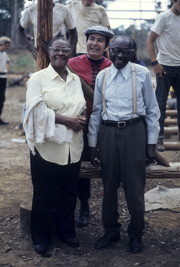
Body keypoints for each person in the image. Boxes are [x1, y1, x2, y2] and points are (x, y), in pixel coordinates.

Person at [88, 36, 160, 253]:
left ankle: (136, 234)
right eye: (116, 51)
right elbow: (97, 111)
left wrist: (151, 144)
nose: (120, 56)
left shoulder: (142, 73)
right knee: (108, 187)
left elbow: (152, 110)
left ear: (132, 52)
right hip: (108, 133)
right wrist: (93, 144)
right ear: (109, 51)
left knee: (134, 188)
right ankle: (111, 231)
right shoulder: (103, 75)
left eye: (125, 52)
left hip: (134, 132)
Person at [23, 37, 86, 255]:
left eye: (65, 50)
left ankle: (66, 232)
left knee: (69, 193)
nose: (61, 53)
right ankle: (41, 237)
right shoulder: (38, 79)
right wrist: (68, 121)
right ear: (49, 52)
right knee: (44, 194)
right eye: (56, 49)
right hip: (47, 148)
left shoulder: (75, 79)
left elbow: (81, 105)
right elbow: (36, 110)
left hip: (73, 146)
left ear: (71, 53)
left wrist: (82, 118)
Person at [68, 25, 114, 227]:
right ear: (85, 42)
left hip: (106, 127)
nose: (94, 43)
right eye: (91, 39)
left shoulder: (113, 66)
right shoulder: (71, 63)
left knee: (110, 166)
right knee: (80, 165)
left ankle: (111, 209)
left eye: (100, 40)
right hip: (79, 126)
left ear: (106, 46)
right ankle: (83, 204)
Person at [146, 0, 180, 151]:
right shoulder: (164, 17)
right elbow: (150, 40)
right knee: (160, 104)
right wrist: (155, 63)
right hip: (165, 66)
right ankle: (158, 138)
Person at [0, 36, 11, 125]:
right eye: (6, 45)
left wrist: (7, 69)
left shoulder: (4, 54)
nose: (8, 47)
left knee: (2, 98)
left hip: (3, 77)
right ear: (2, 44)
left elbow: (7, 62)